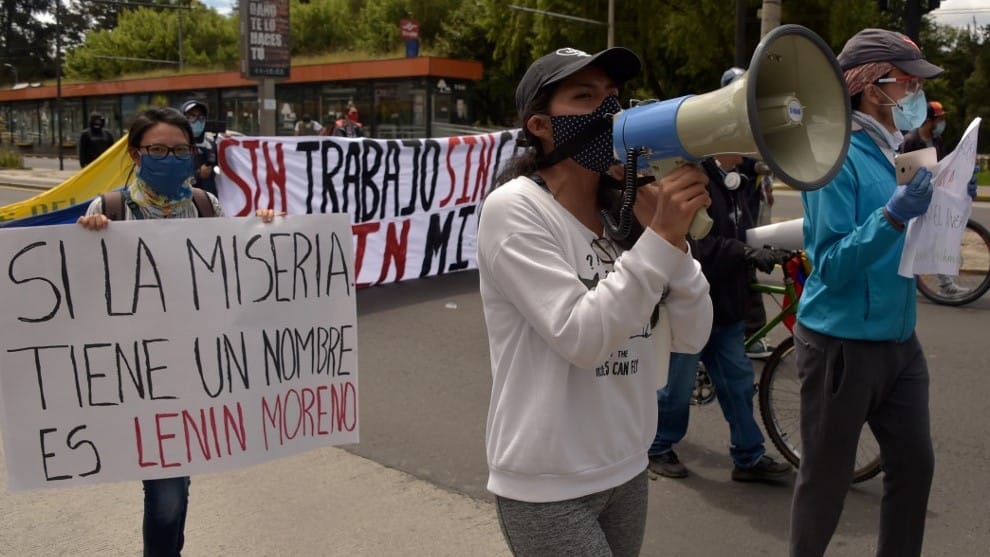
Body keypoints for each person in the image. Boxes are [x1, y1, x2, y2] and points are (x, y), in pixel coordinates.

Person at [477, 46, 714, 556]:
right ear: (540, 125)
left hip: (627, 463)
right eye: (584, 97)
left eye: (613, 96)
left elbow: (694, 332)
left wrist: (673, 242)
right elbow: (583, 339)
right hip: (549, 480)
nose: (610, 112)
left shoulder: (622, 214)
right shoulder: (515, 209)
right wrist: (658, 241)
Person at [76, 107, 276, 556]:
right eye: (158, 150)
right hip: (139, 374)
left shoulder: (207, 207)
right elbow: (84, 297)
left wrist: (265, 231)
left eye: (180, 150)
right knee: (167, 495)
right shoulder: (108, 210)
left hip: (193, 371)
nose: (171, 158)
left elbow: (235, 270)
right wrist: (86, 238)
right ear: (135, 154)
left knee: (176, 490)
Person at [790, 28, 942, 557]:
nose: (913, 96)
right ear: (869, 86)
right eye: (905, 83)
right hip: (840, 345)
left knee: (915, 466)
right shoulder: (831, 157)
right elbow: (829, 264)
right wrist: (893, 217)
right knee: (826, 484)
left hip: (900, 342)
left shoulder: (902, 150)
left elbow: (916, 239)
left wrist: (949, 206)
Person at [648, 155, 792, 483]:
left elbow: (745, 233)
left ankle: (748, 455)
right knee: (676, 389)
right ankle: (658, 446)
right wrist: (744, 253)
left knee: (739, 384)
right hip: (690, 305)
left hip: (726, 305)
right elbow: (695, 244)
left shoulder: (740, 180)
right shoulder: (694, 176)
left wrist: (769, 247)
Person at [719, 67, 777, 358]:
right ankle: (750, 333)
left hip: (747, 202)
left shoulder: (750, 123)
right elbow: (742, 164)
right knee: (742, 262)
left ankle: (750, 333)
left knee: (746, 263)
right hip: (730, 203)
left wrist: (767, 183)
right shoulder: (724, 126)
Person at [900, 100, 980, 297]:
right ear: (927, 121)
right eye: (939, 119)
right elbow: (903, 175)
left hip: (932, 198)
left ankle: (944, 283)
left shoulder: (937, 142)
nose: (942, 123)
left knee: (938, 235)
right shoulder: (911, 141)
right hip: (913, 200)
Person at [181, 100, 218, 196]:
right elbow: (173, 179)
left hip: (209, 199)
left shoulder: (211, 143)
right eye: (193, 117)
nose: (198, 121)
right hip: (187, 201)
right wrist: (198, 175)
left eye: (201, 117)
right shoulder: (177, 145)